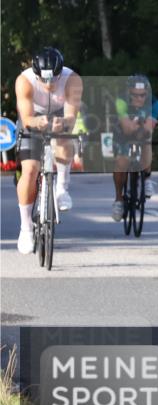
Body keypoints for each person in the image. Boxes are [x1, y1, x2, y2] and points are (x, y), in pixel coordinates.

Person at [13, 47, 83, 254]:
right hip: (33, 119)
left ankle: (62, 187)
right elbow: (26, 118)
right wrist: (37, 121)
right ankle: (25, 227)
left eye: (54, 79)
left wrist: (62, 123)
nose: (49, 84)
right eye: (44, 80)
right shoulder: (24, 81)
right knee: (30, 170)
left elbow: (71, 117)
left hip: (60, 116)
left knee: (64, 136)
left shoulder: (72, 79)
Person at [111, 74, 158, 221]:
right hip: (122, 131)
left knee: (147, 138)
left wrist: (142, 127)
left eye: (143, 95)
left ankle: (147, 178)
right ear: (128, 93)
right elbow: (127, 129)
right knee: (121, 162)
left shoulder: (155, 103)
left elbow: (148, 128)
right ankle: (119, 199)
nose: (139, 99)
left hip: (142, 131)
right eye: (135, 95)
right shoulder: (121, 101)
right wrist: (134, 125)